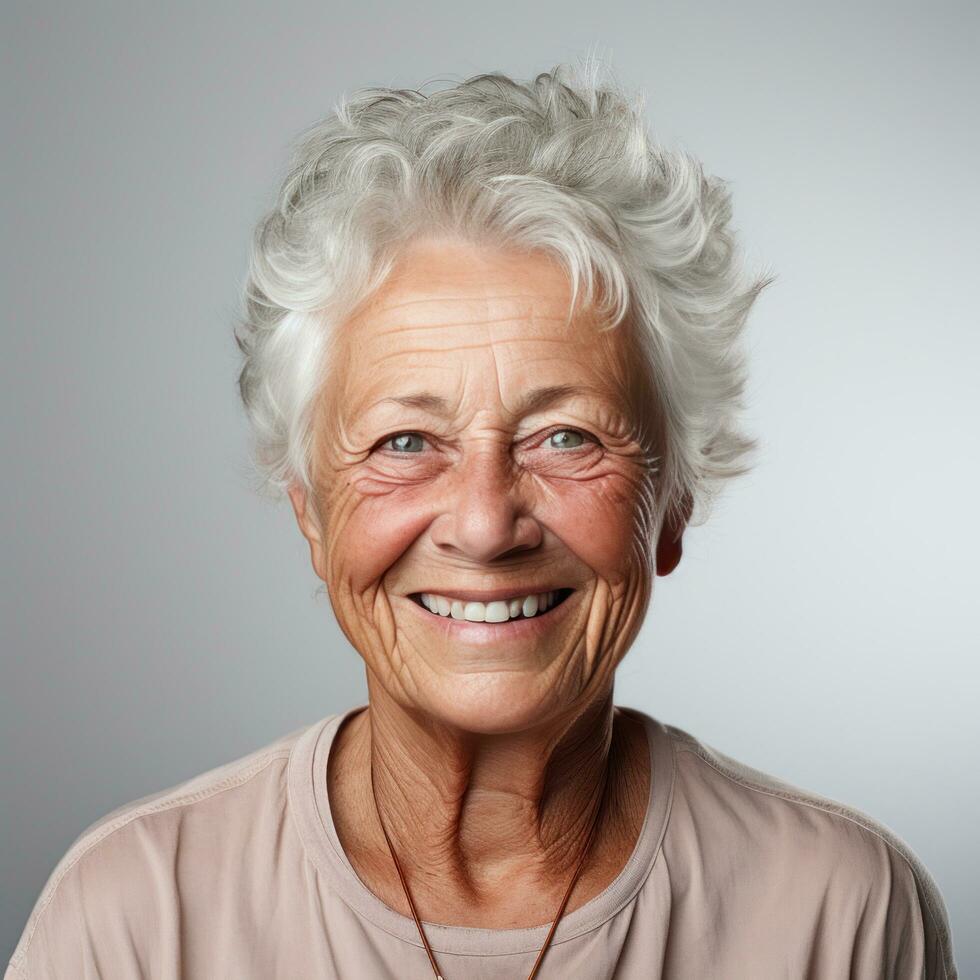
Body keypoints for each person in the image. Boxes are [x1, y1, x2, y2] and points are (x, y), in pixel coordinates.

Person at [6, 62, 958, 980]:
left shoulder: (843, 914)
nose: (485, 523)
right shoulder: (131, 917)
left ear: (673, 503)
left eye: (566, 437)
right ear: (311, 509)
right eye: (406, 442)